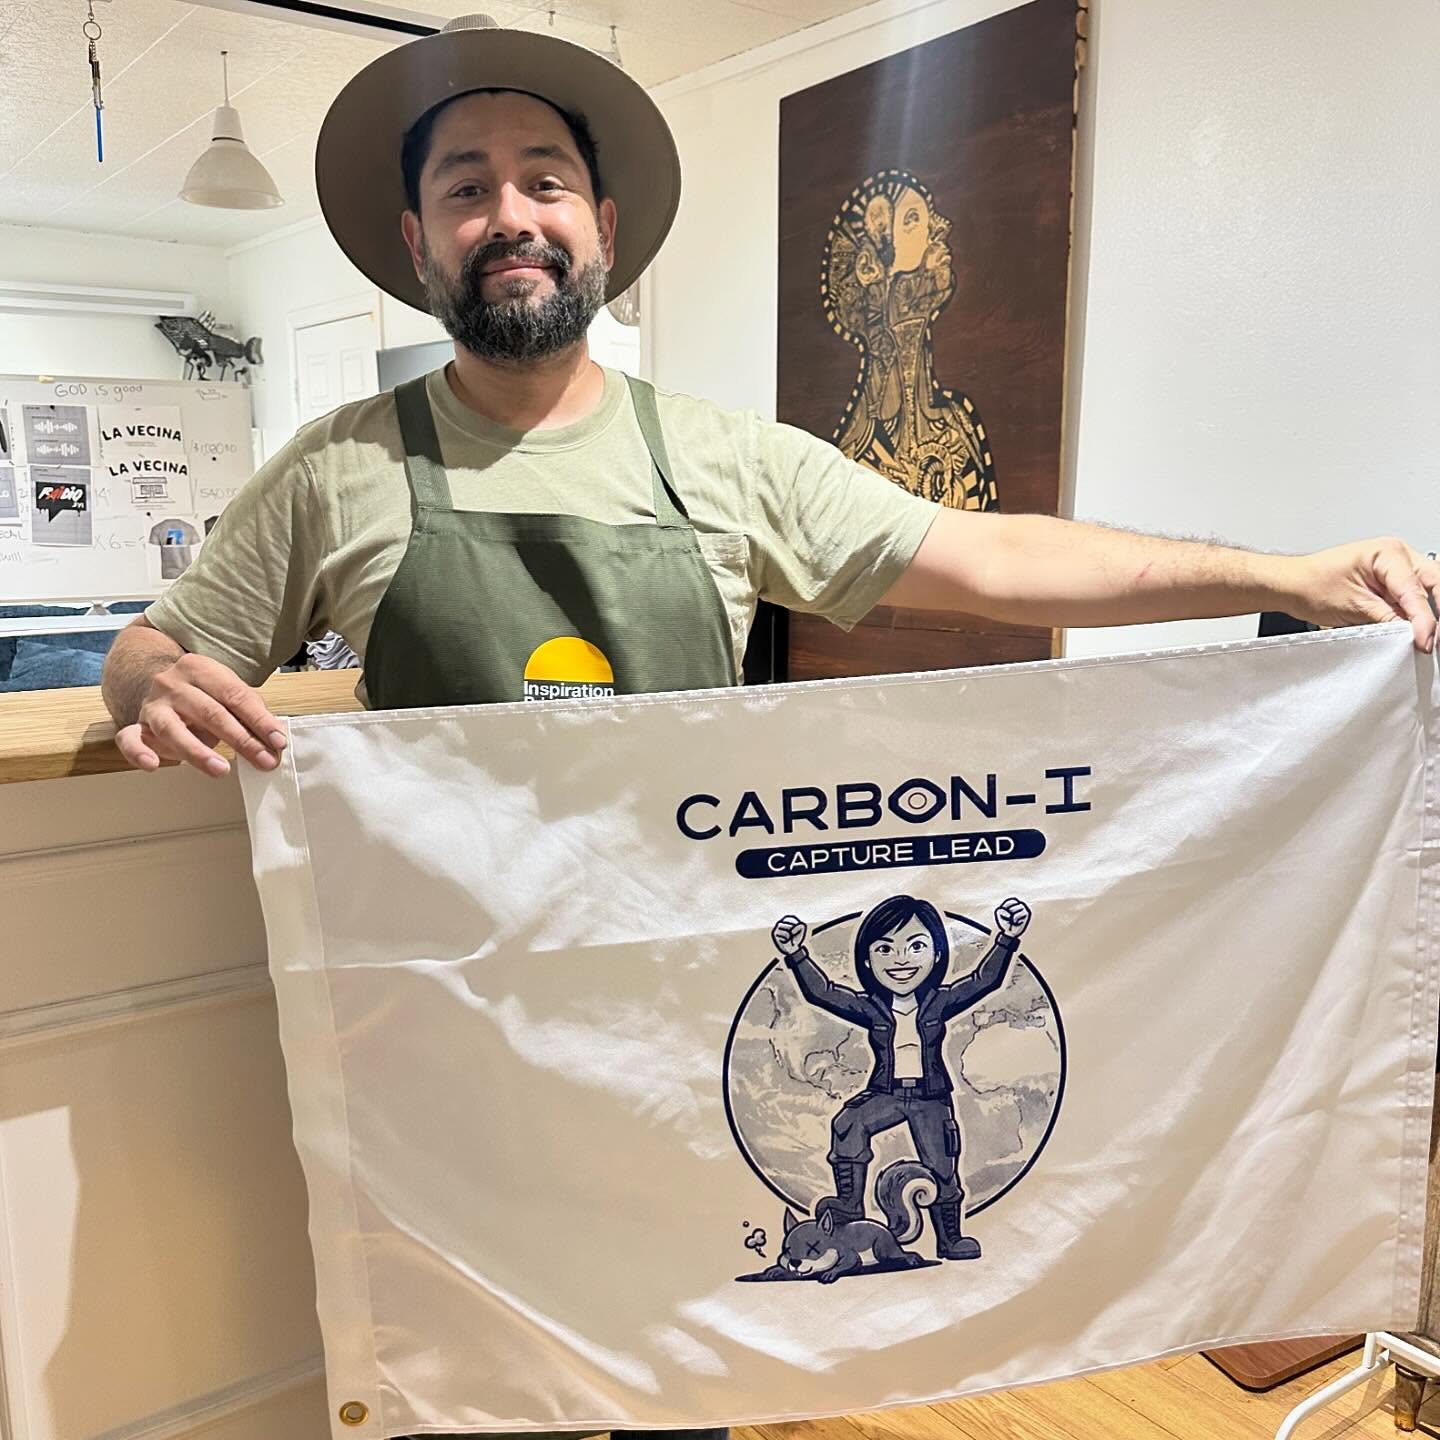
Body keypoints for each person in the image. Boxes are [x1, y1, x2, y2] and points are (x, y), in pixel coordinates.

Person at [94, 19, 1436, 1432]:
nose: (511, 216)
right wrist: (149, 681)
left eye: (545, 180)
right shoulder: (337, 473)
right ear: (419, 240)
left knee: (684, 1389)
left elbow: (992, 557)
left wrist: (1282, 575)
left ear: (604, 229)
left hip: (684, 1031)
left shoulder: (723, 461)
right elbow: (151, 646)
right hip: (461, 1056)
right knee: (478, 1396)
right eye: (467, 188)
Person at [772, 896, 1030, 1262]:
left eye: (916, 947)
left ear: (937, 955)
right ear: (867, 960)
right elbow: (823, 993)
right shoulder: (871, 1007)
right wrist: (797, 954)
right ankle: (849, 1205)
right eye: (885, 949)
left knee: (943, 1161)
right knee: (848, 1123)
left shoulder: (940, 1002)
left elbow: (983, 981)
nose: (901, 960)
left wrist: (1007, 938)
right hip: (886, 1093)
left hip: (930, 1097)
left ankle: (950, 1238)